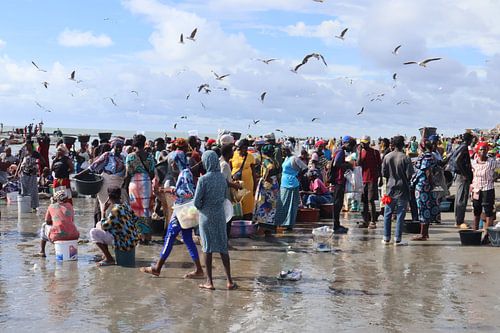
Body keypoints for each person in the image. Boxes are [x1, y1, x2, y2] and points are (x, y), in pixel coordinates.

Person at [140, 144, 204, 278]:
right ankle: (199, 269)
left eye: (174, 163)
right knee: (187, 239)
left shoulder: (184, 173)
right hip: (186, 211)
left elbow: (188, 192)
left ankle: (157, 268)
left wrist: (173, 190)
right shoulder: (185, 172)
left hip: (181, 211)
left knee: (169, 237)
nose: (172, 166)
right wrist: (168, 190)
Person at [194, 151, 237, 290]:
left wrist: (202, 207)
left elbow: (196, 202)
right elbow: (225, 197)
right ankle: (229, 281)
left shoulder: (203, 179)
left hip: (206, 216)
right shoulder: (222, 179)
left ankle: (209, 282)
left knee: (207, 248)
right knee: (223, 247)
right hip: (220, 215)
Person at [89, 187, 140, 266]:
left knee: (93, 232)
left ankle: (109, 258)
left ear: (109, 197)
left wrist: (103, 211)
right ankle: (105, 255)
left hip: (122, 242)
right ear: (119, 196)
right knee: (98, 225)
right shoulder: (126, 206)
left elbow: (104, 226)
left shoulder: (115, 210)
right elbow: (135, 219)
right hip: (132, 240)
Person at [381, 135, 414, 245]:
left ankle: (386, 238)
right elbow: (410, 174)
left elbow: (384, 173)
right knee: (400, 214)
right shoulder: (405, 158)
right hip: (402, 189)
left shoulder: (387, 157)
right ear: (402, 145)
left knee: (388, 213)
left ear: (393, 145)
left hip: (390, 189)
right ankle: (397, 239)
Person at [125, 134, 156, 244]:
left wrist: (124, 187)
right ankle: (147, 236)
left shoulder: (130, 157)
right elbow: (152, 173)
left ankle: (138, 235)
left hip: (134, 185)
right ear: (144, 143)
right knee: (146, 209)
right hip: (146, 184)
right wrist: (146, 178)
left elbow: (128, 174)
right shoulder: (150, 156)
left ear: (134, 144)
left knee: (136, 210)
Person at [35, 190, 79, 257]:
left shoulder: (51, 206)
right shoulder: (70, 206)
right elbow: (71, 220)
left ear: (55, 199)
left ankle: (42, 251)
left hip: (58, 236)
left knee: (44, 225)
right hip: (74, 235)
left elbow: (47, 221)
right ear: (66, 198)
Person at [411, 140, 440, 241]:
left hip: (423, 185)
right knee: (427, 207)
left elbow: (427, 171)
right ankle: (425, 233)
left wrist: (431, 184)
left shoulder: (426, 156)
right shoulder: (429, 155)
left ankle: (423, 234)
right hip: (426, 185)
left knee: (423, 208)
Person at [471, 142, 499, 244]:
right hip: (476, 189)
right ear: (478, 151)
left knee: (488, 212)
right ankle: (475, 232)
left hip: (488, 189)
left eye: (484, 150)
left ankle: (487, 235)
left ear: (487, 151)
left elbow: (497, 169)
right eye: (481, 150)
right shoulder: (474, 162)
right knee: (476, 211)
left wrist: (495, 176)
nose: (482, 152)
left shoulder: (491, 162)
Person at [277, 142, 307, 231]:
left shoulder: (294, 158)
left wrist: (298, 176)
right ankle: (282, 222)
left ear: (288, 150)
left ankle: (289, 224)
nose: (283, 152)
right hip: (284, 183)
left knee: (291, 204)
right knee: (283, 203)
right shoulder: (286, 158)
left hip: (292, 183)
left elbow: (305, 168)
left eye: (284, 150)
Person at [328, 136, 355, 233]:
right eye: (351, 145)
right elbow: (336, 164)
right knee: (337, 203)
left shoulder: (338, 150)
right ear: (345, 143)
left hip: (338, 180)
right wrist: (348, 165)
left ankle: (337, 224)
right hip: (339, 181)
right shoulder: (340, 152)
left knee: (338, 203)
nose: (351, 148)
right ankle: (336, 226)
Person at [253, 144, 280, 233]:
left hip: (268, 185)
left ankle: (262, 227)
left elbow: (270, 168)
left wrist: (265, 178)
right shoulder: (275, 161)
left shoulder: (266, 161)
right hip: (275, 184)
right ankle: (270, 227)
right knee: (273, 205)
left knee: (264, 205)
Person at [357, 135, 381, 229]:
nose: (363, 144)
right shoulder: (361, 152)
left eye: (365, 142)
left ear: (368, 142)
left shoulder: (375, 152)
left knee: (371, 200)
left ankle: (373, 221)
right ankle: (365, 221)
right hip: (363, 179)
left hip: (372, 179)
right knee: (364, 201)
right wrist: (359, 152)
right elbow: (358, 163)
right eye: (362, 142)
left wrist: (380, 179)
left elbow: (380, 166)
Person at [451, 132, 474, 228]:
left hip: (459, 175)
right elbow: (457, 160)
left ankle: (459, 220)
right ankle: (459, 221)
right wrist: (464, 174)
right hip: (462, 176)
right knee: (461, 199)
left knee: (459, 198)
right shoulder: (464, 147)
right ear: (468, 140)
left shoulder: (459, 146)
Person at [230, 139, 257, 220]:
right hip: (236, 183)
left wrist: (255, 186)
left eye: (245, 148)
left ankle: (247, 220)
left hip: (248, 183)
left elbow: (253, 172)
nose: (243, 149)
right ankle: (237, 220)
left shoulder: (250, 156)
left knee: (248, 203)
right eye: (241, 148)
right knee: (237, 202)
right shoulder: (234, 155)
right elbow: (230, 168)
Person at [16, 141, 40, 211]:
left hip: (32, 174)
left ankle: (34, 206)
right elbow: (20, 163)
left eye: (28, 145)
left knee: (33, 191)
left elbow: (42, 161)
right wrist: (17, 172)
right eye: (26, 145)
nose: (26, 147)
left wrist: (35, 164)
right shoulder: (24, 153)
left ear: (31, 145)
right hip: (24, 174)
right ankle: (26, 207)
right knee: (24, 191)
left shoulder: (35, 153)